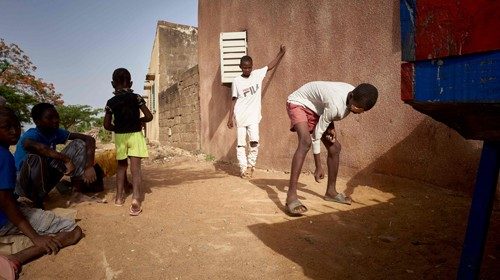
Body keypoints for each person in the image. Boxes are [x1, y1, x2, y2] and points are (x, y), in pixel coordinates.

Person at [0, 106, 82, 280]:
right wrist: (36, 237)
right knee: (73, 230)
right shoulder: (5, 156)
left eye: (16, 125)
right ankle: (15, 259)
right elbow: (6, 203)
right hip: (3, 218)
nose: (14, 131)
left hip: (12, 202)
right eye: (7, 127)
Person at [285, 81, 378, 215]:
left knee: (335, 148)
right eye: (355, 108)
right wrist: (318, 166)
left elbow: (327, 107)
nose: (357, 112)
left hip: (318, 109)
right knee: (305, 142)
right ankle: (291, 196)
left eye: (361, 110)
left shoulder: (355, 95)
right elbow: (316, 135)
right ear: (351, 96)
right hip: (299, 102)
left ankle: (331, 192)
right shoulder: (337, 105)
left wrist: (331, 127)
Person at [14, 103, 97, 209]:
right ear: (37, 121)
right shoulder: (32, 134)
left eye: (56, 116)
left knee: (78, 144)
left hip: (46, 183)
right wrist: (66, 159)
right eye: (50, 118)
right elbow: (34, 146)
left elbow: (89, 139)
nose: (55, 120)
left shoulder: (55, 132)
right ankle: (37, 202)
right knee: (35, 158)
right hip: (23, 186)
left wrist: (89, 166)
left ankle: (77, 193)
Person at [227, 45, 286, 178]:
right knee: (241, 144)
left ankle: (250, 165)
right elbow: (233, 100)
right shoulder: (236, 81)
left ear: (252, 66)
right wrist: (230, 118)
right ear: (240, 67)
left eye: (249, 67)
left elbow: (269, 66)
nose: (247, 70)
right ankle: (243, 169)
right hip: (240, 116)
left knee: (254, 141)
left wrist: (280, 54)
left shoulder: (257, 75)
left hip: (253, 116)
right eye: (245, 67)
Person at [103, 68, 153, 216]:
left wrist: (117, 128)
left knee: (121, 167)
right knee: (136, 169)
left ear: (113, 84)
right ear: (130, 83)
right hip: (135, 135)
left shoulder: (111, 102)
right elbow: (149, 116)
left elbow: (106, 125)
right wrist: (139, 120)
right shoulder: (137, 98)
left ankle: (119, 198)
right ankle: (136, 199)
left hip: (120, 137)